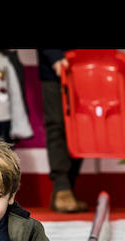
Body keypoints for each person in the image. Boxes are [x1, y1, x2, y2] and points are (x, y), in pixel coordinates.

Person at [37, 49, 87, 213]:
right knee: (57, 125)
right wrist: (54, 56)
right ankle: (62, 187)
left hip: (89, 68)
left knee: (84, 126)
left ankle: (67, 188)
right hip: (56, 68)